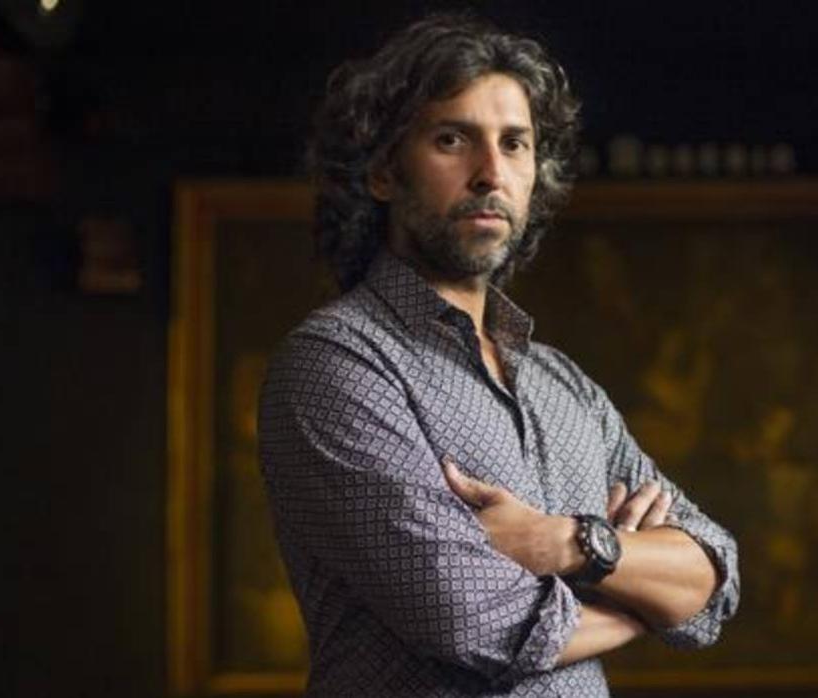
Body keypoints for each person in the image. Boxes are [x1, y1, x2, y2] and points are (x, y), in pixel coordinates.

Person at [258, 14, 739, 697]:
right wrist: (645, 605)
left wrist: (570, 543)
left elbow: (715, 579)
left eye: (514, 144)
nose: (490, 173)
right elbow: (477, 621)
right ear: (383, 172)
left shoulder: (562, 384)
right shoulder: (337, 364)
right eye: (452, 140)